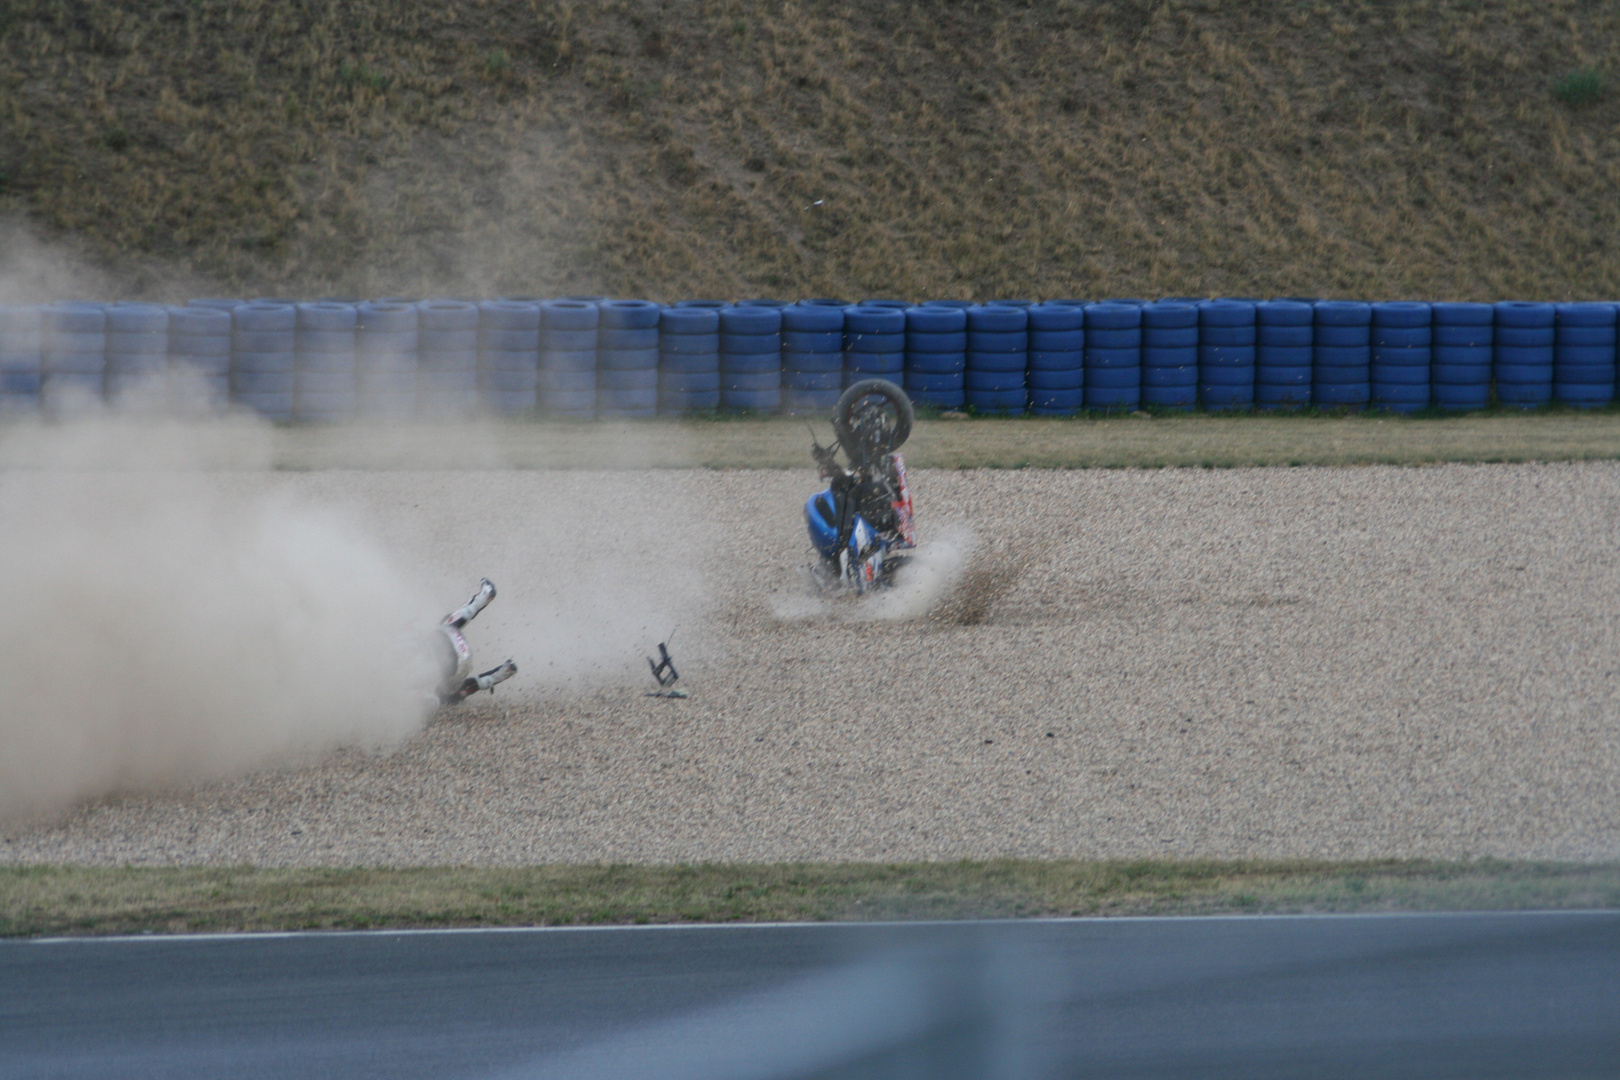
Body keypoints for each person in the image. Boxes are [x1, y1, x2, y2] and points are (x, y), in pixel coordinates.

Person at [434, 578, 517, 705]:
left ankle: (504, 672)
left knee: (446, 696)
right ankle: (481, 599)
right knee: (444, 626)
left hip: (459, 670)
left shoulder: (403, 690)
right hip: (453, 640)